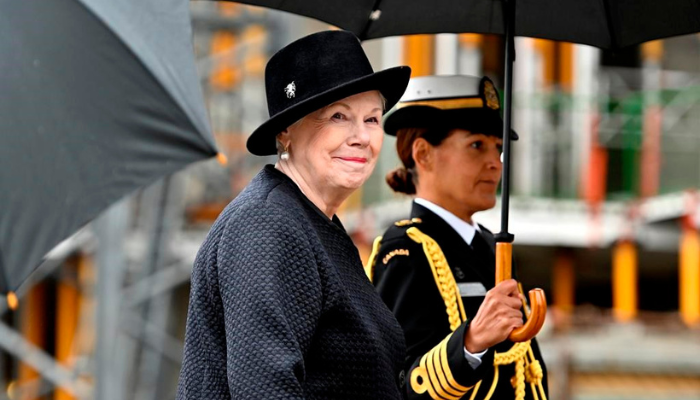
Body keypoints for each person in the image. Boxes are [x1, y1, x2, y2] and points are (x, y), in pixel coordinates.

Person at [176, 29, 472, 399]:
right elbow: (266, 388)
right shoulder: (266, 224)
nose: (362, 137)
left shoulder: (313, 223)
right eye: (338, 116)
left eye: (372, 119)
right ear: (286, 131)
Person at [367, 75, 549, 400]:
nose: (495, 163)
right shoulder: (405, 251)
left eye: (499, 148)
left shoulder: (493, 247)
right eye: (476, 145)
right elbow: (398, 384)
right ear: (423, 155)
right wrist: (471, 342)